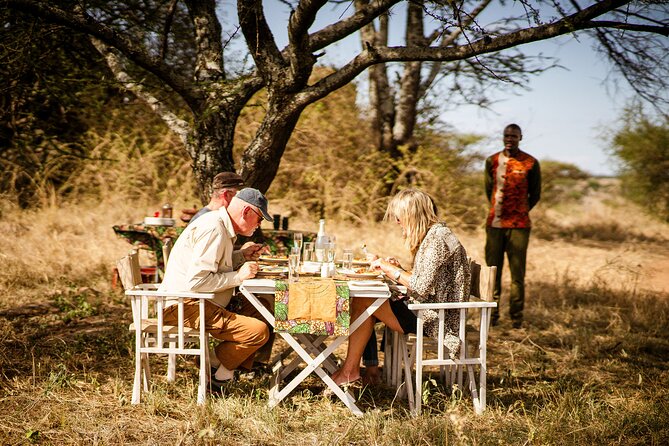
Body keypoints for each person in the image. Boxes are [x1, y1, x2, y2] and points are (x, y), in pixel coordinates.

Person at [331, 188, 470, 386]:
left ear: (412, 215)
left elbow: (421, 287)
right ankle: (354, 370)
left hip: (435, 318)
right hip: (428, 309)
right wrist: (400, 269)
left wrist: (389, 269)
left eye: (399, 217)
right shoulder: (435, 235)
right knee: (364, 300)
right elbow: (428, 280)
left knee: (365, 300)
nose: (397, 222)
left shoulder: (437, 239)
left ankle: (350, 371)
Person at [160, 188, 273, 387]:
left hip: (201, 303)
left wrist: (241, 256)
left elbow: (215, 265)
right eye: (259, 218)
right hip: (184, 305)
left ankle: (214, 365)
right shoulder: (214, 229)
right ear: (246, 211)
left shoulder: (221, 226)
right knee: (258, 331)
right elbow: (197, 282)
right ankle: (218, 379)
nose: (259, 225)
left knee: (263, 310)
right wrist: (238, 277)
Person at [484, 123, 541, 329]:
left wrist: (521, 211)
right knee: (493, 272)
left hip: (519, 225)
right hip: (495, 224)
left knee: (517, 274)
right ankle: (492, 316)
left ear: (520, 137)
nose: (510, 139)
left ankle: (516, 318)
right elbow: (489, 190)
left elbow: (535, 194)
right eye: (507, 135)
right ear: (503, 137)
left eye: (514, 136)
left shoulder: (530, 163)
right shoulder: (492, 161)